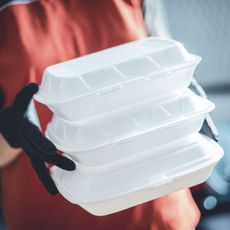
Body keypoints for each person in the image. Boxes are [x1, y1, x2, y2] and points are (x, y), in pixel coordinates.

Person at [0, 0, 201, 229]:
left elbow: (168, 64)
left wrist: (186, 95)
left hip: (157, 214)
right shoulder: (8, 12)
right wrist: (9, 134)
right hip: (54, 218)